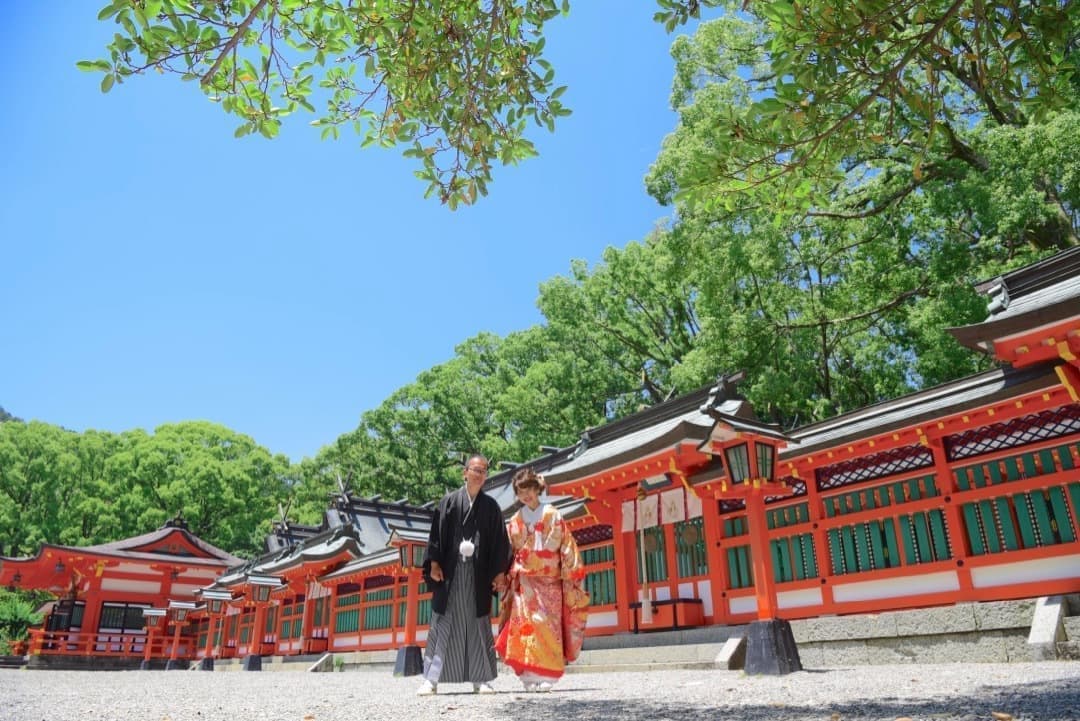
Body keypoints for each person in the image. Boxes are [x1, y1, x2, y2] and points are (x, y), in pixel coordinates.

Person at [417, 453, 511, 696]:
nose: (479, 475)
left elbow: (501, 542)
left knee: (478, 624)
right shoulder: (448, 502)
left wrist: (499, 572)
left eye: (484, 471)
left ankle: (481, 679)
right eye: (475, 470)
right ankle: (431, 679)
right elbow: (435, 536)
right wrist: (434, 563)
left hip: (478, 575)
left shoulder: (491, 507)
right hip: (451, 573)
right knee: (442, 622)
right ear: (465, 472)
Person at [495, 467, 589, 692]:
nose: (526, 495)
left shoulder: (552, 514)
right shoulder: (515, 519)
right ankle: (528, 675)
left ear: (537, 489)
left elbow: (564, 546)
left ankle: (547, 674)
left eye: (529, 490)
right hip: (525, 582)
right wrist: (502, 573)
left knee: (547, 626)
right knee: (525, 627)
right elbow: (509, 551)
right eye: (521, 492)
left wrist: (570, 572)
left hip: (549, 580)